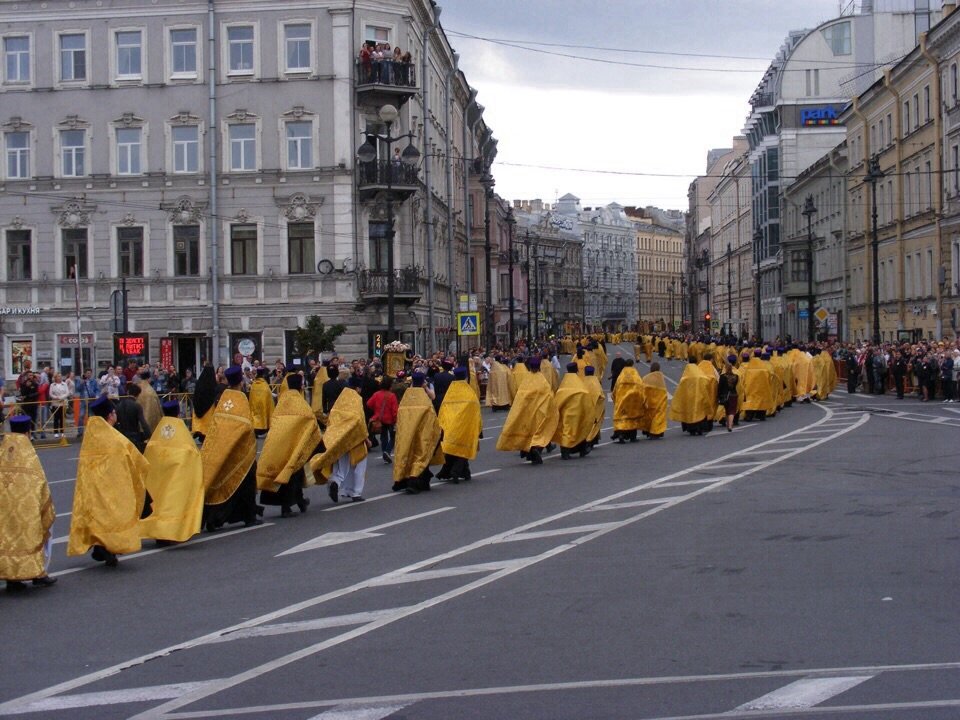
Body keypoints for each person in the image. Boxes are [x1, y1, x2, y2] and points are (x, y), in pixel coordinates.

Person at [67, 396, 149, 567]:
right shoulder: (114, 438)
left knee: (97, 516)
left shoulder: (91, 435)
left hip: (91, 487)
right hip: (112, 486)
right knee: (113, 515)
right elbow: (136, 460)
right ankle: (109, 547)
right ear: (111, 415)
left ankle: (100, 546)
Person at [200, 366, 261, 530]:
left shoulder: (223, 397)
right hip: (240, 451)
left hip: (222, 446)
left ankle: (213, 517)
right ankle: (249, 517)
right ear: (241, 381)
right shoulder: (241, 399)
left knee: (220, 481)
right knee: (246, 484)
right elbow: (247, 426)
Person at [0, 415, 57, 590]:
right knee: (31, 537)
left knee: (7, 539)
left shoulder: (2, 452)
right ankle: (37, 573)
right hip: (26, 510)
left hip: (4, 509)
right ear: (28, 432)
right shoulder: (29, 456)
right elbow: (41, 484)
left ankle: (12, 579)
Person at [139, 400, 204, 544]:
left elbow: (149, 453)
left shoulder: (159, 431)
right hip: (176, 473)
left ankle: (157, 530)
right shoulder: (181, 431)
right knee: (172, 502)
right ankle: (169, 531)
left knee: (159, 502)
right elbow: (192, 455)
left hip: (159, 473)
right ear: (178, 413)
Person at [257, 373, 322, 518]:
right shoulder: (301, 404)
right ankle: (286, 507)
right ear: (300, 386)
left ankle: (300, 502)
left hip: (280, 445)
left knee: (295, 476)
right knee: (293, 475)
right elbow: (311, 423)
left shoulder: (282, 402)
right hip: (295, 447)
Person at [310, 375, 371, 503]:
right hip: (356, 438)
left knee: (342, 465)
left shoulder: (341, 399)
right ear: (358, 388)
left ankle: (337, 483)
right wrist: (366, 438)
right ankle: (356, 492)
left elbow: (332, 418)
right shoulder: (356, 399)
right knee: (359, 464)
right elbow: (360, 421)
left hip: (340, 438)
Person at [496, 356, 559, 465]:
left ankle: (526, 449)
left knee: (527, 430)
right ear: (539, 367)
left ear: (529, 367)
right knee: (539, 431)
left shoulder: (526, 381)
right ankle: (536, 448)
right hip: (539, 411)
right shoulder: (542, 381)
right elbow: (549, 397)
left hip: (526, 411)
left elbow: (519, 398)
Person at [392, 372, 443, 494]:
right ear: (423, 382)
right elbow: (431, 418)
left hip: (407, 432)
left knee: (408, 453)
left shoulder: (407, 397)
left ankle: (404, 478)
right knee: (421, 454)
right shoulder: (424, 399)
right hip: (422, 433)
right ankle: (415, 481)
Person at [436, 366, 482, 482]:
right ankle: (455, 472)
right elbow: (476, 411)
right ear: (466, 377)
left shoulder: (450, 392)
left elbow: (443, 410)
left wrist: (441, 425)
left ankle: (463, 472)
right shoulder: (470, 393)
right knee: (462, 449)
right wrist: (479, 428)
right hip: (466, 427)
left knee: (454, 449)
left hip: (451, 425)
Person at [552, 362, 593, 459]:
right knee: (579, 429)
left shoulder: (564, 383)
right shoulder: (579, 383)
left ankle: (565, 451)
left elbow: (558, 398)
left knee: (566, 430)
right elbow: (586, 396)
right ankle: (581, 449)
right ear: (577, 370)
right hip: (577, 411)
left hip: (565, 411)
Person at [367, 376, 399, 464]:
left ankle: (384, 451)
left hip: (379, 418)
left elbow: (369, 404)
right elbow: (394, 410)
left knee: (383, 436)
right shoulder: (392, 395)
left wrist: (376, 410)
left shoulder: (376, 394)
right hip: (390, 419)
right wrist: (396, 420)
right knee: (393, 436)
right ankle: (387, 451)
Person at [612, 359, 644, 443]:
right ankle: (633, 437)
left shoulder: (621, 376)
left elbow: (615, 388)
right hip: (633, 401)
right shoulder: (635, 375)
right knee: (632, 418)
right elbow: (641, 386)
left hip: (622, 400)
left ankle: (621, 435)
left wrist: (614, 398)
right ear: (632, 364)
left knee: (622, 418)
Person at [115, 383, 152, 453]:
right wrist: (149, 435)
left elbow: (116, 422)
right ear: (138, 395)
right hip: (134, 437)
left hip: (122, 436)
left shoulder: (119, 405)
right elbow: (143, 423)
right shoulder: (137, 406)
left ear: (128, 392)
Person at [190, 364, 220, 441]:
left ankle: (199, 431)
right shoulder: (212, 383)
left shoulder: (199, 382)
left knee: (201, 421)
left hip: (199, 406)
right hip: (209, 408)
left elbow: (196, 394)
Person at [641, 362, 668, 439]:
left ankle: (648, 430)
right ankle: (656, 431)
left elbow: (642, 389)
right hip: (659, 399)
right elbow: (664, 389)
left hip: (649, 400)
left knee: (649, 415)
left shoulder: (645, 378)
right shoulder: (660, 377)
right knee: (658, 415)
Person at [249, 366, 274, 437]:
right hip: (263, 407)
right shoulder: (265, 385)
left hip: (255, 407)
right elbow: (269, 398)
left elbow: (251, 397)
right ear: (263, 375)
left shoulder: (253, 384)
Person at [718, 361, 740, 432]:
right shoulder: (736, 376)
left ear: (725, 368)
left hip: (725, 395)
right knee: (732, 411)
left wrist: (718, 396)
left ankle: (728, 425)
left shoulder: (722, 377)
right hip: (733, 394)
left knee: (727, 410)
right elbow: (735, 385)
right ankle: (730, 425)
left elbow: (720, 387)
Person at [48, 372, 70, 439]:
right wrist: (56, 397)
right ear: (55, 378)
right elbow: (50, 393)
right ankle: (56, 432)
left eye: (60, 376)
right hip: (55, 403)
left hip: (63, 403)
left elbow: (67, 393)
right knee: (56, 418)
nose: (59, 378)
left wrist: (61, 397)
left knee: (62, 418)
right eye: (58, 376)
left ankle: (62, 432)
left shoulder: (64, 384)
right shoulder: (52, 385)